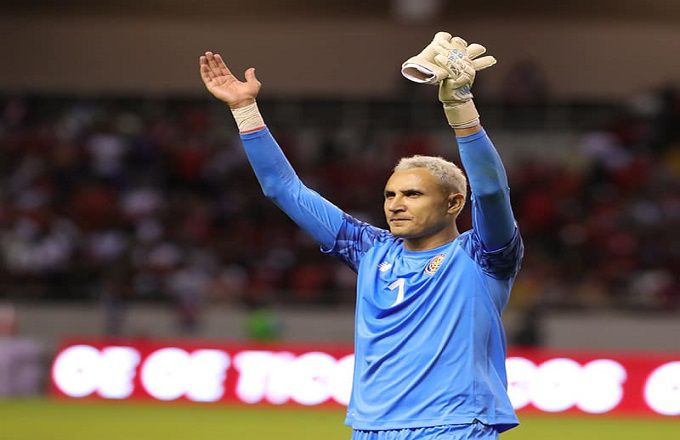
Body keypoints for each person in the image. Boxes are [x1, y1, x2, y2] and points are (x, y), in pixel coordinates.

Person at [199, 32, 523, 440]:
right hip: (371, 429)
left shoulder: (484, 255)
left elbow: (491, 191)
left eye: (413, 194)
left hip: (453, 426)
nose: (395, 204)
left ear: (454, 203)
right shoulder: (370, 250)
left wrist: (459, 106)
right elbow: (284, 189)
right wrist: (245, 110)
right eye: (390, 195)